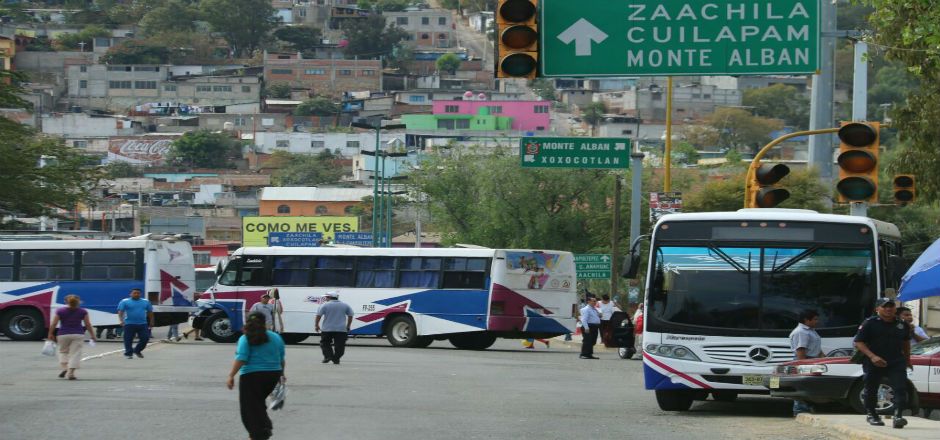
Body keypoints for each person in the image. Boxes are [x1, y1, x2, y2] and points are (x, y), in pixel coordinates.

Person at [854, 298, 912, 429]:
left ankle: (898, 416)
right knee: (871, 387)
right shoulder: (870, 323)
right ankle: (872, 414)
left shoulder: (902, 324)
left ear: (895, 309)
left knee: (900, 387)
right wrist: (872, 356)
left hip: (896, 360)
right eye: (884, 306)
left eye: (891, 306)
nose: (888, 309)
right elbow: (859, 342)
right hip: (874, 361)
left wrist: (908, 360)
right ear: (877, 309)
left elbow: (906, 343)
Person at [226, 312, 285, 440]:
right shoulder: (276, 337)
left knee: (250, 408)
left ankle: (260, 433)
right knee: (257, 404)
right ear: (265, 322)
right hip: (273, 376)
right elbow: (281, 359)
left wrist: (231, 375)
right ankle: (259, 431)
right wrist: (282, 375)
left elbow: (241, 358)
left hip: (251, 376)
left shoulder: (245, 338)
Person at [47, 295, 96, 380]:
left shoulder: (60, 311)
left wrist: (50, 333)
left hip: (63, 334)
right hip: (78, 334)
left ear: (66, 302)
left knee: (63, 352)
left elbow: (54, 324)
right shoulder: (83, 311)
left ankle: (65, 368)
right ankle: (71, 373)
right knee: (75, 353)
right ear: (79, 302)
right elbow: (88, 324)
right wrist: (92, 335)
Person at [789, 310, 823, 416]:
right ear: (806, 320)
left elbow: (816, 347)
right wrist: (803, 364)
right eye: (815, 319)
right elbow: (801, 350)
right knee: (802, 385)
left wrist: (825, 358)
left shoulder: (811, 331)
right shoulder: (801, 332)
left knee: (809, 385)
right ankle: (799, 409)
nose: (817, 321)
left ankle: (805, 406)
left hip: (813, 359)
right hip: (805, 359)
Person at [315, 291, 353, 365]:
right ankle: (336, 358)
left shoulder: (324, 305)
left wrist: (316, 325)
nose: (325, 298)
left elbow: (318, 315)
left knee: (325, 343)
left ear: (329, 297)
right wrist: (348, 326)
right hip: (341, 330)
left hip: (327, 329)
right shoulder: (345, 305)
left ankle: (328, 356)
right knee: (340, 345)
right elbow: (350, 315)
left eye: (326, 297)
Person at [117, 288, 154, 359]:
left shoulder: (146, 302)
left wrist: (152, 321)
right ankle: (129, 353)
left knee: (145, 338)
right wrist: (121, 320)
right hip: (129, 324)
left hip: (143, 324)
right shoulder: (124, 301)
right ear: (130, 294)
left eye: (138, 293)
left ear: (140, 294)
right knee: (128, 339)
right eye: (134, 293)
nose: (136, 294)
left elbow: (150, 312)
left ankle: (137, 350)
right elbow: (120, 311)